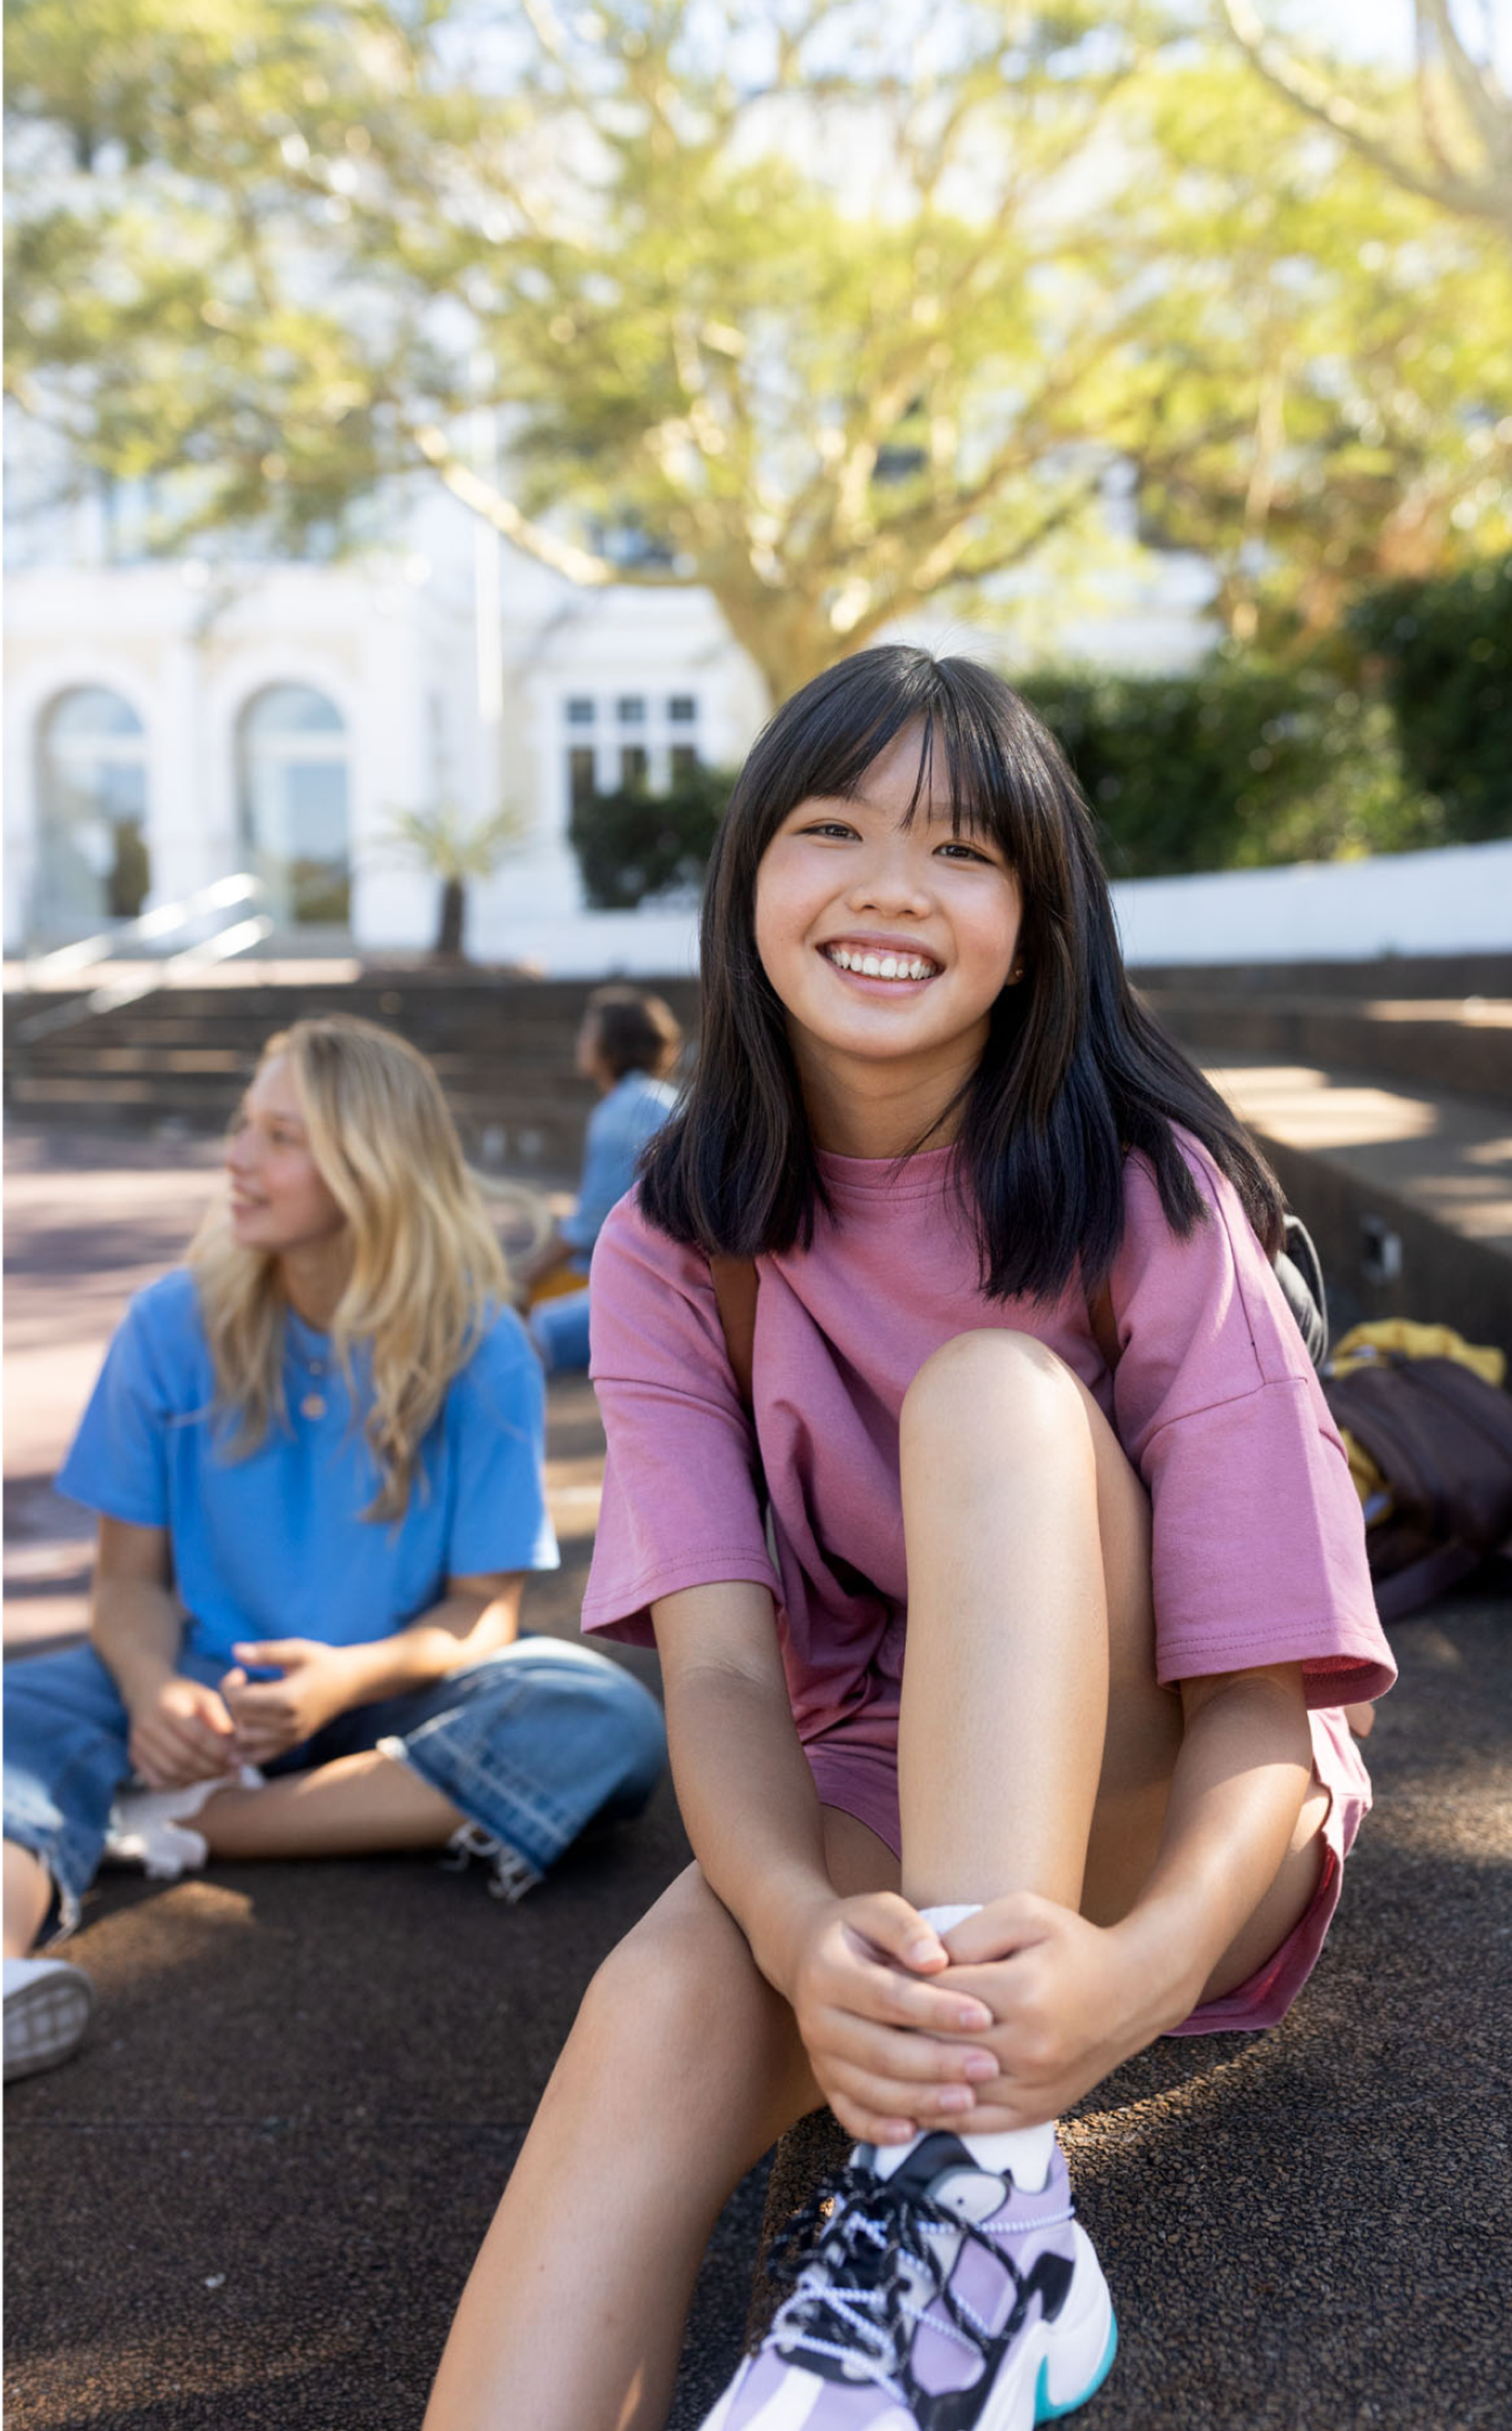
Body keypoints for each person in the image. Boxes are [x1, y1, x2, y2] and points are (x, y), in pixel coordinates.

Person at [424, 649, 1394, 2431]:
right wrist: (798, 1927)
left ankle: (981, 2207)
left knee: (990, 1398)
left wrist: (1147, 1961)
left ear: (1037, 924)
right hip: (875, 1769)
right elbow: (718, 1668)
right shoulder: (674, 1237)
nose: (886, 881)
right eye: (830, 826)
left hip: (1169, 1794)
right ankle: (938, 2179)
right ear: (748, 887)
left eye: (961, 849)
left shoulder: (1147, 1190)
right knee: (652, 2014)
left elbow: (1270, 1699)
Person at [0, 1015, 665, 2084]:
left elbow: (481, 1614)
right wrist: (146, 1690)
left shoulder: (479, 1347)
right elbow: (125, 1584)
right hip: (198, 1680)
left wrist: (345, 1676)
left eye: (279, 1137)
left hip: (386, 1694)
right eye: (243, 1126)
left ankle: (189, 1818)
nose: (238, 1156)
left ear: (368, 1170)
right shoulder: (169, 1323)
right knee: (11, 1719)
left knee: (606, 1718)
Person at [519, 986, 683, 1376]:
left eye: (587, 1033)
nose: (580, 1042)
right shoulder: (661, 1098)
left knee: (515, 1340)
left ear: (611, 1046)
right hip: (670, 1279)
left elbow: (588, 1228)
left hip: (654, 1294)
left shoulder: (621, 1111)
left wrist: (516, 1283)